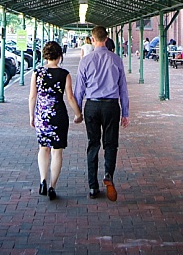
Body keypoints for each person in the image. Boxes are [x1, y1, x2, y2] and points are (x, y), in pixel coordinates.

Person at [74, 25, 129, 201]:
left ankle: (92, 186)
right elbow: (123, 89)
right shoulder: (116, 59)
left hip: (92, 105)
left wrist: (78, 111)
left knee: (93, 143)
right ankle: (108, 175)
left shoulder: (85, 61)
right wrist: (125, 112)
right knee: (111, 143)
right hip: (111, 106)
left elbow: (79, 90)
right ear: (106, 39)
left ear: (92, 38)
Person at [28, 40, 82, 200]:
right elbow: (70, 97)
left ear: (46, 55)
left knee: (43, 148)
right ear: (59, 56)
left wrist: (32, 115)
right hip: (58, 115)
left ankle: (42, 179)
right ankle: (52, 186)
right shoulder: (64, 74)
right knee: (57, 151)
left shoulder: (37, 73)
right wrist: (78, 114)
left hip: (42, 115)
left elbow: (32, 96)